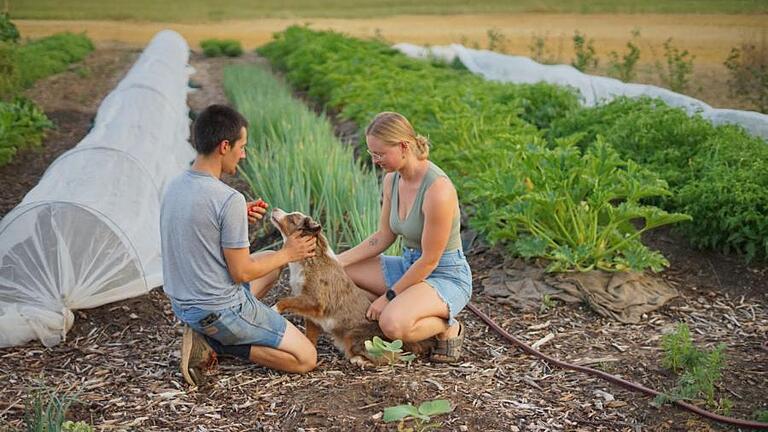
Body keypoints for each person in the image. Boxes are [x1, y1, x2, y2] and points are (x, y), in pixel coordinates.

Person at [160, 104, 318, 386]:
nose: (243, 154)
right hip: (220, 309)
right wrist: (289, 252)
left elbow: (196, 226)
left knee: (269, 262)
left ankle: (208, 331)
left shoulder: (175, 184)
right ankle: (219, 344)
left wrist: (235, 216)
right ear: (224, 146)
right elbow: (241, 273)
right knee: (306, 358)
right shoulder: (226, 198)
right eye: (241, 146)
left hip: (184, 305)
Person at [338, 111, 472, 363]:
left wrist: (388, 297)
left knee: (393, 324)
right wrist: (336, 261)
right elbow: (383, 236)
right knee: (340, 274)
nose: (375, 160)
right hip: (409, 266)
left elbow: (430, 260)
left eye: (380, 153)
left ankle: (446, 327)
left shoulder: (437, 190)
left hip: (444, 274)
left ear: (403, 146)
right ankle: (408, 311)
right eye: (371, 153)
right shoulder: (392, 180)